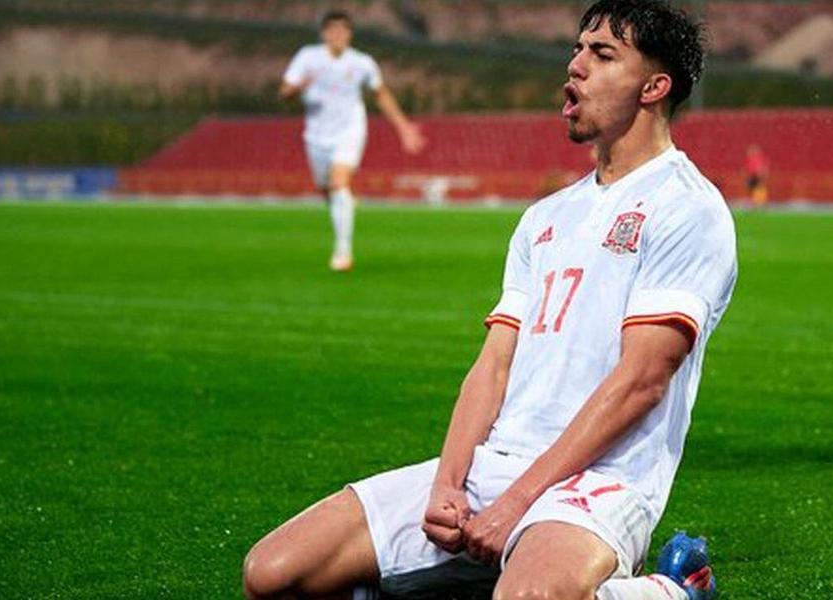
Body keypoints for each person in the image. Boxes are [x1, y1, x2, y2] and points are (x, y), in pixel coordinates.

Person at [243, 1, 736, 599]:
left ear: (655, 87)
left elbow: (642, 382)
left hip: (597, 483)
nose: (575, 65)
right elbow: (493, 364)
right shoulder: (544, 217)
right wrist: (448, 485)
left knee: (529, 598)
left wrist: (517, 502)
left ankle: (669, 591)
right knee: (273, 575)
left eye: (602, 54)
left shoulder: (687, 207)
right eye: (578, 48)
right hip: (492, 469)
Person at [280, 10, 426, 272]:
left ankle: (342, 252)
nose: (337, 35)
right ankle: (344, 200)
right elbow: (285, 91)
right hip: (316, 134)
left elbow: (381, 94)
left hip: (349, 129)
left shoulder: (361, 63)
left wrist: (403, 128)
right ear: (324, 33)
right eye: (332, 30)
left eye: (343, 30)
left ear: (349, 34)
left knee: (338, 183)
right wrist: (297, 87)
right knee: (328, 190)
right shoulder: (307, 57)